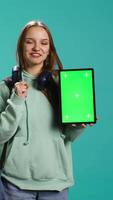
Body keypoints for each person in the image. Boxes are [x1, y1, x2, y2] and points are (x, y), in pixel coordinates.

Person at [0, 20, 91, 200]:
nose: (37, 47)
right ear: (21, 46)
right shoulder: (7, 87)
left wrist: (78, 125)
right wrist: (17, 100)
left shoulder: (62, 86)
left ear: (49, 49)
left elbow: (69, 136)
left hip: (56, 182)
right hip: (14, 183)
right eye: (30, 41)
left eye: (43, 42)